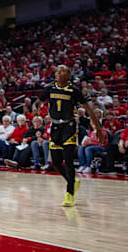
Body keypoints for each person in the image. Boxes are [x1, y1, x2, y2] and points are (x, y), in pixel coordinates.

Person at [34, 65, 100, 207]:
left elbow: (88, 109)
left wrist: (98, 129)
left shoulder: (74, 91)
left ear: (69, 76)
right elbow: (38, 102)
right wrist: (36, 107)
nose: (58, 73)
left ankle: (70, 194)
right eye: (57, 71)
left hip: (69, 127)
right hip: (55, 126)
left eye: (62, 71)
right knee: (56, 162)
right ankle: (73, 181)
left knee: (68, 160)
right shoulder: (49, 88)